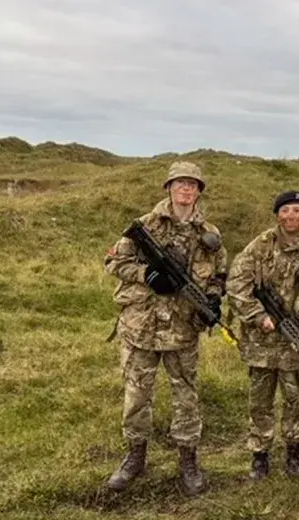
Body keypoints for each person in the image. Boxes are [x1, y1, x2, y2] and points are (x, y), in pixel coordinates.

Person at [103, 161, 228, 496]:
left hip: (182, 329)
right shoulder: (145, 226)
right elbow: (114, 262)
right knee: (136, 396)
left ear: (199, 191)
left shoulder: (210, 235)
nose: (186, 190)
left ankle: (188, 461)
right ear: (169, 188)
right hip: (140, 327)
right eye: (180, 183)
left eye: (193, 185)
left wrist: (214, 299)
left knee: (186, 398)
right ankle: (135, 457)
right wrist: (146, 276)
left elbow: (219, 274)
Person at [225, 190, 299, 480]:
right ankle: (260, 455)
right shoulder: (261, 245)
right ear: (277, 214)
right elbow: (236, 283)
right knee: (260, 401)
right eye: (285, 211)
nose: (291, 216)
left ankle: (294, 453)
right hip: (262, 342)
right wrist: (258, 316)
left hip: (297, 340)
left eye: (297, 210)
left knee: (295, 400)